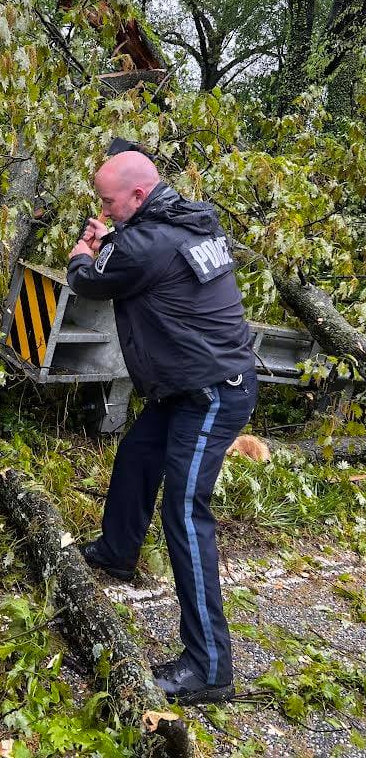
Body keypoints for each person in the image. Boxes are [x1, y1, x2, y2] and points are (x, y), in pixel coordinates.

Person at [67, 150, 257, 706]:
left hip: (212, 394)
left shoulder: (144, 243)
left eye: (107, 201)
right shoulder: (192, 219)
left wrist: (86, 246)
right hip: (189, 385)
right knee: (136, 456)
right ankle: (117, 553)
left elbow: (88, 280)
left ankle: (209, 666)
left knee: (184, 510)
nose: (102, 208)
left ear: (138, 197)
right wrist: (112, 236)